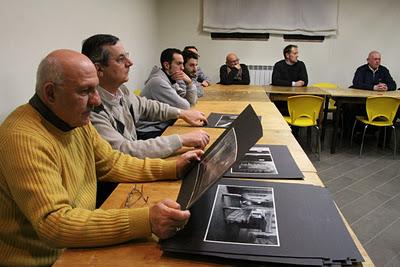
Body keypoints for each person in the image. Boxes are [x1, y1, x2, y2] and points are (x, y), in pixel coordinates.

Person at [0, 49, 203, 266]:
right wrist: (147, 220)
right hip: (47, 260)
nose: (96, 100)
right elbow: (55, 224)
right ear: (50, 93)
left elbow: (111, 162)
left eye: (95, 89)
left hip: (74, 246)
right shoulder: (23, 138)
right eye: (85, 91)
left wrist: (172, 168)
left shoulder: (73, 120)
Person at [82, 34, 209, 159]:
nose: (130, 63)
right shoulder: (91, 109)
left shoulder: (121, 90)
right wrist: (181, 139)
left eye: (127, 56)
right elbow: (123, 150)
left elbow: (147, 106)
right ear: (98, 69)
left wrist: (182, 114)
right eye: (121, 59)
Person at [138, 48, 198, 137]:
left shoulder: (170, 78)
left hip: (161, 125)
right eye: (179, 64)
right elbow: (185, 107)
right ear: (166, 65)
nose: (182, 67)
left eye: (182, 63)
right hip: (148, 131)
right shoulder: (158, 82)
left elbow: (191, 102)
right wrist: (189, 83)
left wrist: (189, 83)